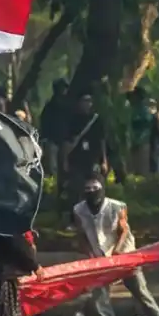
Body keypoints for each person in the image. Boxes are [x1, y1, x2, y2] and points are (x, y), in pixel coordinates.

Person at [73, 175, 159, 316]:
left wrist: (118, 252)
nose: (91, 193)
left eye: (95, 189)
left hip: (124, 256)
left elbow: (124, 230)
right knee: (100, 299)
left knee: (142, 294)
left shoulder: (116, 207)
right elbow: (81, 234)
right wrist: (90, 255)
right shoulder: (79, 210)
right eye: (87, 189)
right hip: (99, 259)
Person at [62, 92, 107, 224]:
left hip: (93, 159)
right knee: (76, 190)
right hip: (77, 159)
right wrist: (65, 160)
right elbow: (67, 142)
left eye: (89, 101)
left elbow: (102, 141)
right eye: (84, 101)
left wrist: (104, 160)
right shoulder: (72, 121)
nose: (87, 104)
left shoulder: (97, 120)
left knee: (96, 188)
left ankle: (96, 218)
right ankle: (75, 220)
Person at [40, 79, 68, 188]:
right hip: (52, 141)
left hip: (65, 141)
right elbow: (44, 123)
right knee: (53, 168)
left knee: (65, 167)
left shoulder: (67, 106)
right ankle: (53, 188)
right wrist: (44, 139)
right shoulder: (50, 107)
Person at [128, 87, 153, 177]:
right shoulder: (131, 110)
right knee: (131, 171)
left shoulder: (145, 111)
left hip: (142, 144)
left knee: (142, 171)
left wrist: (137, 142)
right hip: (131, 144)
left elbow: (146, 129)